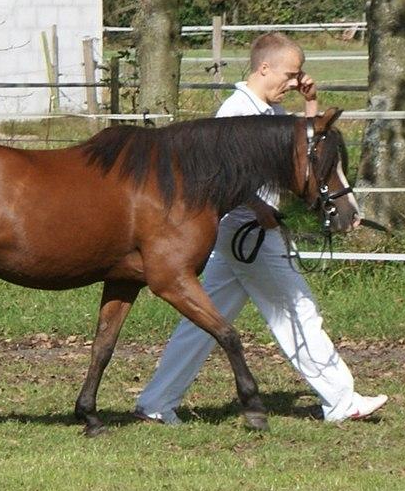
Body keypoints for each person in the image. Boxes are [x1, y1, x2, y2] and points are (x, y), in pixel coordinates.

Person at [134, 33, 387, 425]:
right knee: (298, 310)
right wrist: (257, 206)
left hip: (239, 234)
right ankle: (341, 400)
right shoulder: (236, 110)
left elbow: (309, 145)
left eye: (298, 75)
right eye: (289, 74)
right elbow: (218, 174)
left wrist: (310, 100)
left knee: (201, 322)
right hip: (247, 230)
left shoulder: (269, 110)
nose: (292, 81)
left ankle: (155, 401)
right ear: (264, 68)